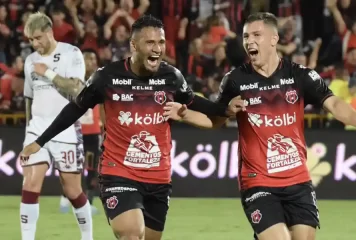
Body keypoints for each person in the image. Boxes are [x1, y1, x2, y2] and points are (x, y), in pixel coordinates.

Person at [20, 15, 244, 240]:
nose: (157, 49)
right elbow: (74, 110)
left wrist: (225, 109)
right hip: (118, 173)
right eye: (150, 43)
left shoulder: (171, 77)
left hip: (158, 177)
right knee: (131, 233)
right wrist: (40, 140)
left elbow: (196, 102)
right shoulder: (106, 77)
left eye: (161, 43)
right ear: (134, 46)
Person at [162, 12, 356, 240]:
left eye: (257, 35)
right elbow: (215, 119)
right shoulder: (236, 80)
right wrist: (185, 114)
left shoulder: (300, 76)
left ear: (274, 39)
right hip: (258, 182)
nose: (250, 41)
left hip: (298, 179)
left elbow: (333, 103)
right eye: (246, 36)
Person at [20, 12, 93, 240]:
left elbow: (76, 89)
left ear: (50, 32)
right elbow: (28, 99)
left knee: (72, 190)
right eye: (31, 40)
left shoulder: (72, 53)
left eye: (38, 38)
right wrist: (27, 133)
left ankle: (87, 236)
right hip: (37, 129)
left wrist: (49, 73)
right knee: (31, 183)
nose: (35, 44)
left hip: (66, 129)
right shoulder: (30, 60)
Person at [59, 49, 102, 214]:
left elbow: (104, 106)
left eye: (93, 58)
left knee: (91, 167)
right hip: (74, 130)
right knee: (72, 166)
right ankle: (65, 196)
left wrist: (104, 126)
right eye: (87, 58)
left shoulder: (100, 81)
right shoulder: (73, 80)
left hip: (93, 132)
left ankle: (88, 203)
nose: (91, 62)